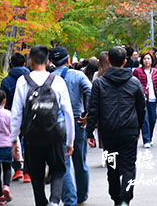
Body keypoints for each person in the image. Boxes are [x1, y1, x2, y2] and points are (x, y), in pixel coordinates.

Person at [10, 45, 75, 206]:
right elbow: (68, 113)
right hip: (55, 135)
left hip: (32, 136)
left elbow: (16, 113)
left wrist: (13, 140)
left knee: (36, 175)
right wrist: (70, 141)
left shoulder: (22, 82)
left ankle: (41, 202)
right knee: (59, 170)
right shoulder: (57, 81)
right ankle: (54, 201)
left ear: (30, 62)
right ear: (47, 62)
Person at [86, 46, 145, 206]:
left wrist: (90, 132)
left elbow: (93, 109)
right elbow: (141, 108)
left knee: (112, 166)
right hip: (129, 131)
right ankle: (125, 199)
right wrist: (138, 127)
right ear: (125, 61)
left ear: (109, 61)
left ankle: (116, 198)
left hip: (108, 132)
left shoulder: (99, 83)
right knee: (128, 167)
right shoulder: (134, 82)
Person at [50, 46, 91, 206]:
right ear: (68, 60)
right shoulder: (78, 75)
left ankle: (70, 199)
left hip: (57, 123)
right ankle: (81, 195)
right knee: (80, 161)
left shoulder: (49, 78)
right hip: (77, 120)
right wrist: (87, 112)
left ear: (51, 62)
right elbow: (90, 90)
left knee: (63, 163)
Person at [0, 52, 30, 182]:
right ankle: (28, 172)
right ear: (24, 64)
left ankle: (17, 169)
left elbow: (3, 99)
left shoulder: (6, 80)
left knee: (14, 141)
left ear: (11, 64)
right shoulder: (30, 78)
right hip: (29, 114)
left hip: (12, 114)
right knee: (29, 143)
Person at [133, 51, 157, 148]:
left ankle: (150, 137)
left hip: (153, 98)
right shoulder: (137, 71)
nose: (146, 61)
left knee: (153, 119)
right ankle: (146, 139)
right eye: (145, 59)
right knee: (145, 119)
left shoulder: (156, 71)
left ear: (152, 60)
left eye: (148, 58)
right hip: (142, 99)